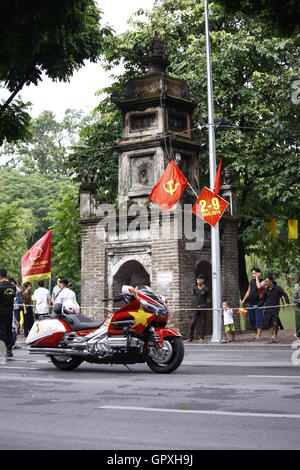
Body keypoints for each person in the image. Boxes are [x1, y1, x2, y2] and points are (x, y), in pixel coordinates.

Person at [257, 274, 289, 343]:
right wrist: (258, 306)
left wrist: (287, 302)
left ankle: (275, 335)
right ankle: (272, 337)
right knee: (269, 324)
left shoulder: (277, 288)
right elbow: (263, 300)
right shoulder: (265, 290)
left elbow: (285, 295)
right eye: (265, 281)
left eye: (267, 281)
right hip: (268, 309)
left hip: (275, 308)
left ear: (271, 281)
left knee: (275, 323)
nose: (266, 283)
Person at [241, 267, 264, 341]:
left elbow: (259, 286)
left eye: (254, 273)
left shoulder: (263, 281)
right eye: (252, 274)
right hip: (251, 304)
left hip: (258, 304)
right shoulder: (251, 282)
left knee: (258, 319)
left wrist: (257, 278)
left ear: (258, 273)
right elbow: (248, 291)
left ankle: (258, 336)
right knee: (252, 320)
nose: (253, 275)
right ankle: (256, 334)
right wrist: (244, 299)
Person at [188, 274, 210, 343]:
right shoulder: (195, 288)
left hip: (203, 307)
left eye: (199, 280)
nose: (198, 281)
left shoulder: (206, 289)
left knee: (203, 323)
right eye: (197, 280)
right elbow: (195, 297)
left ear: (202, 280)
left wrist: (205, 305)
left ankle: (202, 337)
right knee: (192, 322)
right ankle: (190, 338)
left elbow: (208, 299)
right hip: (197, 307)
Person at [0, 269, 16, 358]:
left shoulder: (0, 286)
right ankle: (9, 349)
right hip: (10, 310)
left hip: (1, 310)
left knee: (2, 330)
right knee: (9, 329)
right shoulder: (12, 286)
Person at [293, 275, 300, 341]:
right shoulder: (297, 289)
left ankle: (298, 334)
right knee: (298, 324)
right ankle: (298, 336)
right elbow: (294, 299)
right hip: (298, 309)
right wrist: (299, 301)